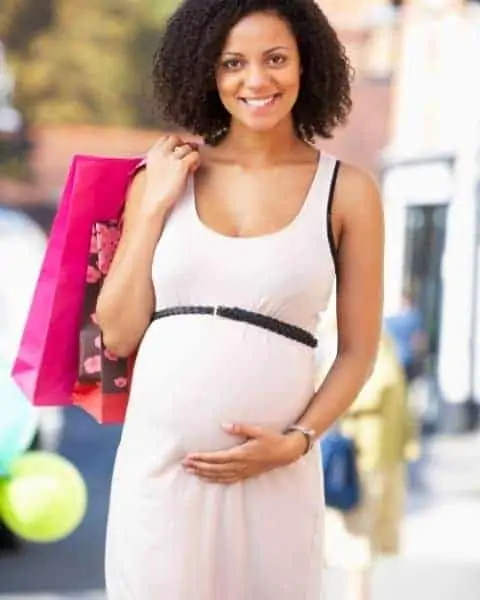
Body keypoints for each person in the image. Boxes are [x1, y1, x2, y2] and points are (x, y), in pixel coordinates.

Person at [96, 1, 384, 598]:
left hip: (275, 476)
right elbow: (118, 333)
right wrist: (152, 205)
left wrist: (297, 441)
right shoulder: (163, 178)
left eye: (275, 59)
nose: (256, 81)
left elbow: (358, 350)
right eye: (233, 63)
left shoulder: (348, 191)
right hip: (161, 476)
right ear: (206, 71)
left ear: (307, 65)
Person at [317, 311, 419, 600]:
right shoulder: (382, 351)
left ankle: (355, 595)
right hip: (367, 455)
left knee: (355, 534)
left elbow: (369, 393)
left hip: (363, 456)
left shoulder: (370, 354)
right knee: (349, 533)